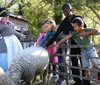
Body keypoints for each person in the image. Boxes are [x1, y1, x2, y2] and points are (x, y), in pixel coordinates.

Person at [44, 3, 93, 85]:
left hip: (82, 43)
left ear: (71, 10)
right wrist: (47, 44)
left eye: (66, 11)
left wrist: (86, 35)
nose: (65, 13)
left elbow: (85, 28)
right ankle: (77, 81)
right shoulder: (63, 22)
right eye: (63, 12)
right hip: (72, 44)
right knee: (74, 62)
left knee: (84, 63)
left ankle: (86, 82)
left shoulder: (78, 18)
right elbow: (56, 35)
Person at [0, 7, 24, 72]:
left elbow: (13, 31)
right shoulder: (0, 25)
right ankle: (5, 71)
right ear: (1, 18)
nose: (6, 19)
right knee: (5, 55)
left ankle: (15, 71)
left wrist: (21, 35)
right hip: (5, 42)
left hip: (13, 41)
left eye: (7, 17)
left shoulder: (10, 23)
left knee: (15, 54)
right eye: (5, 18)